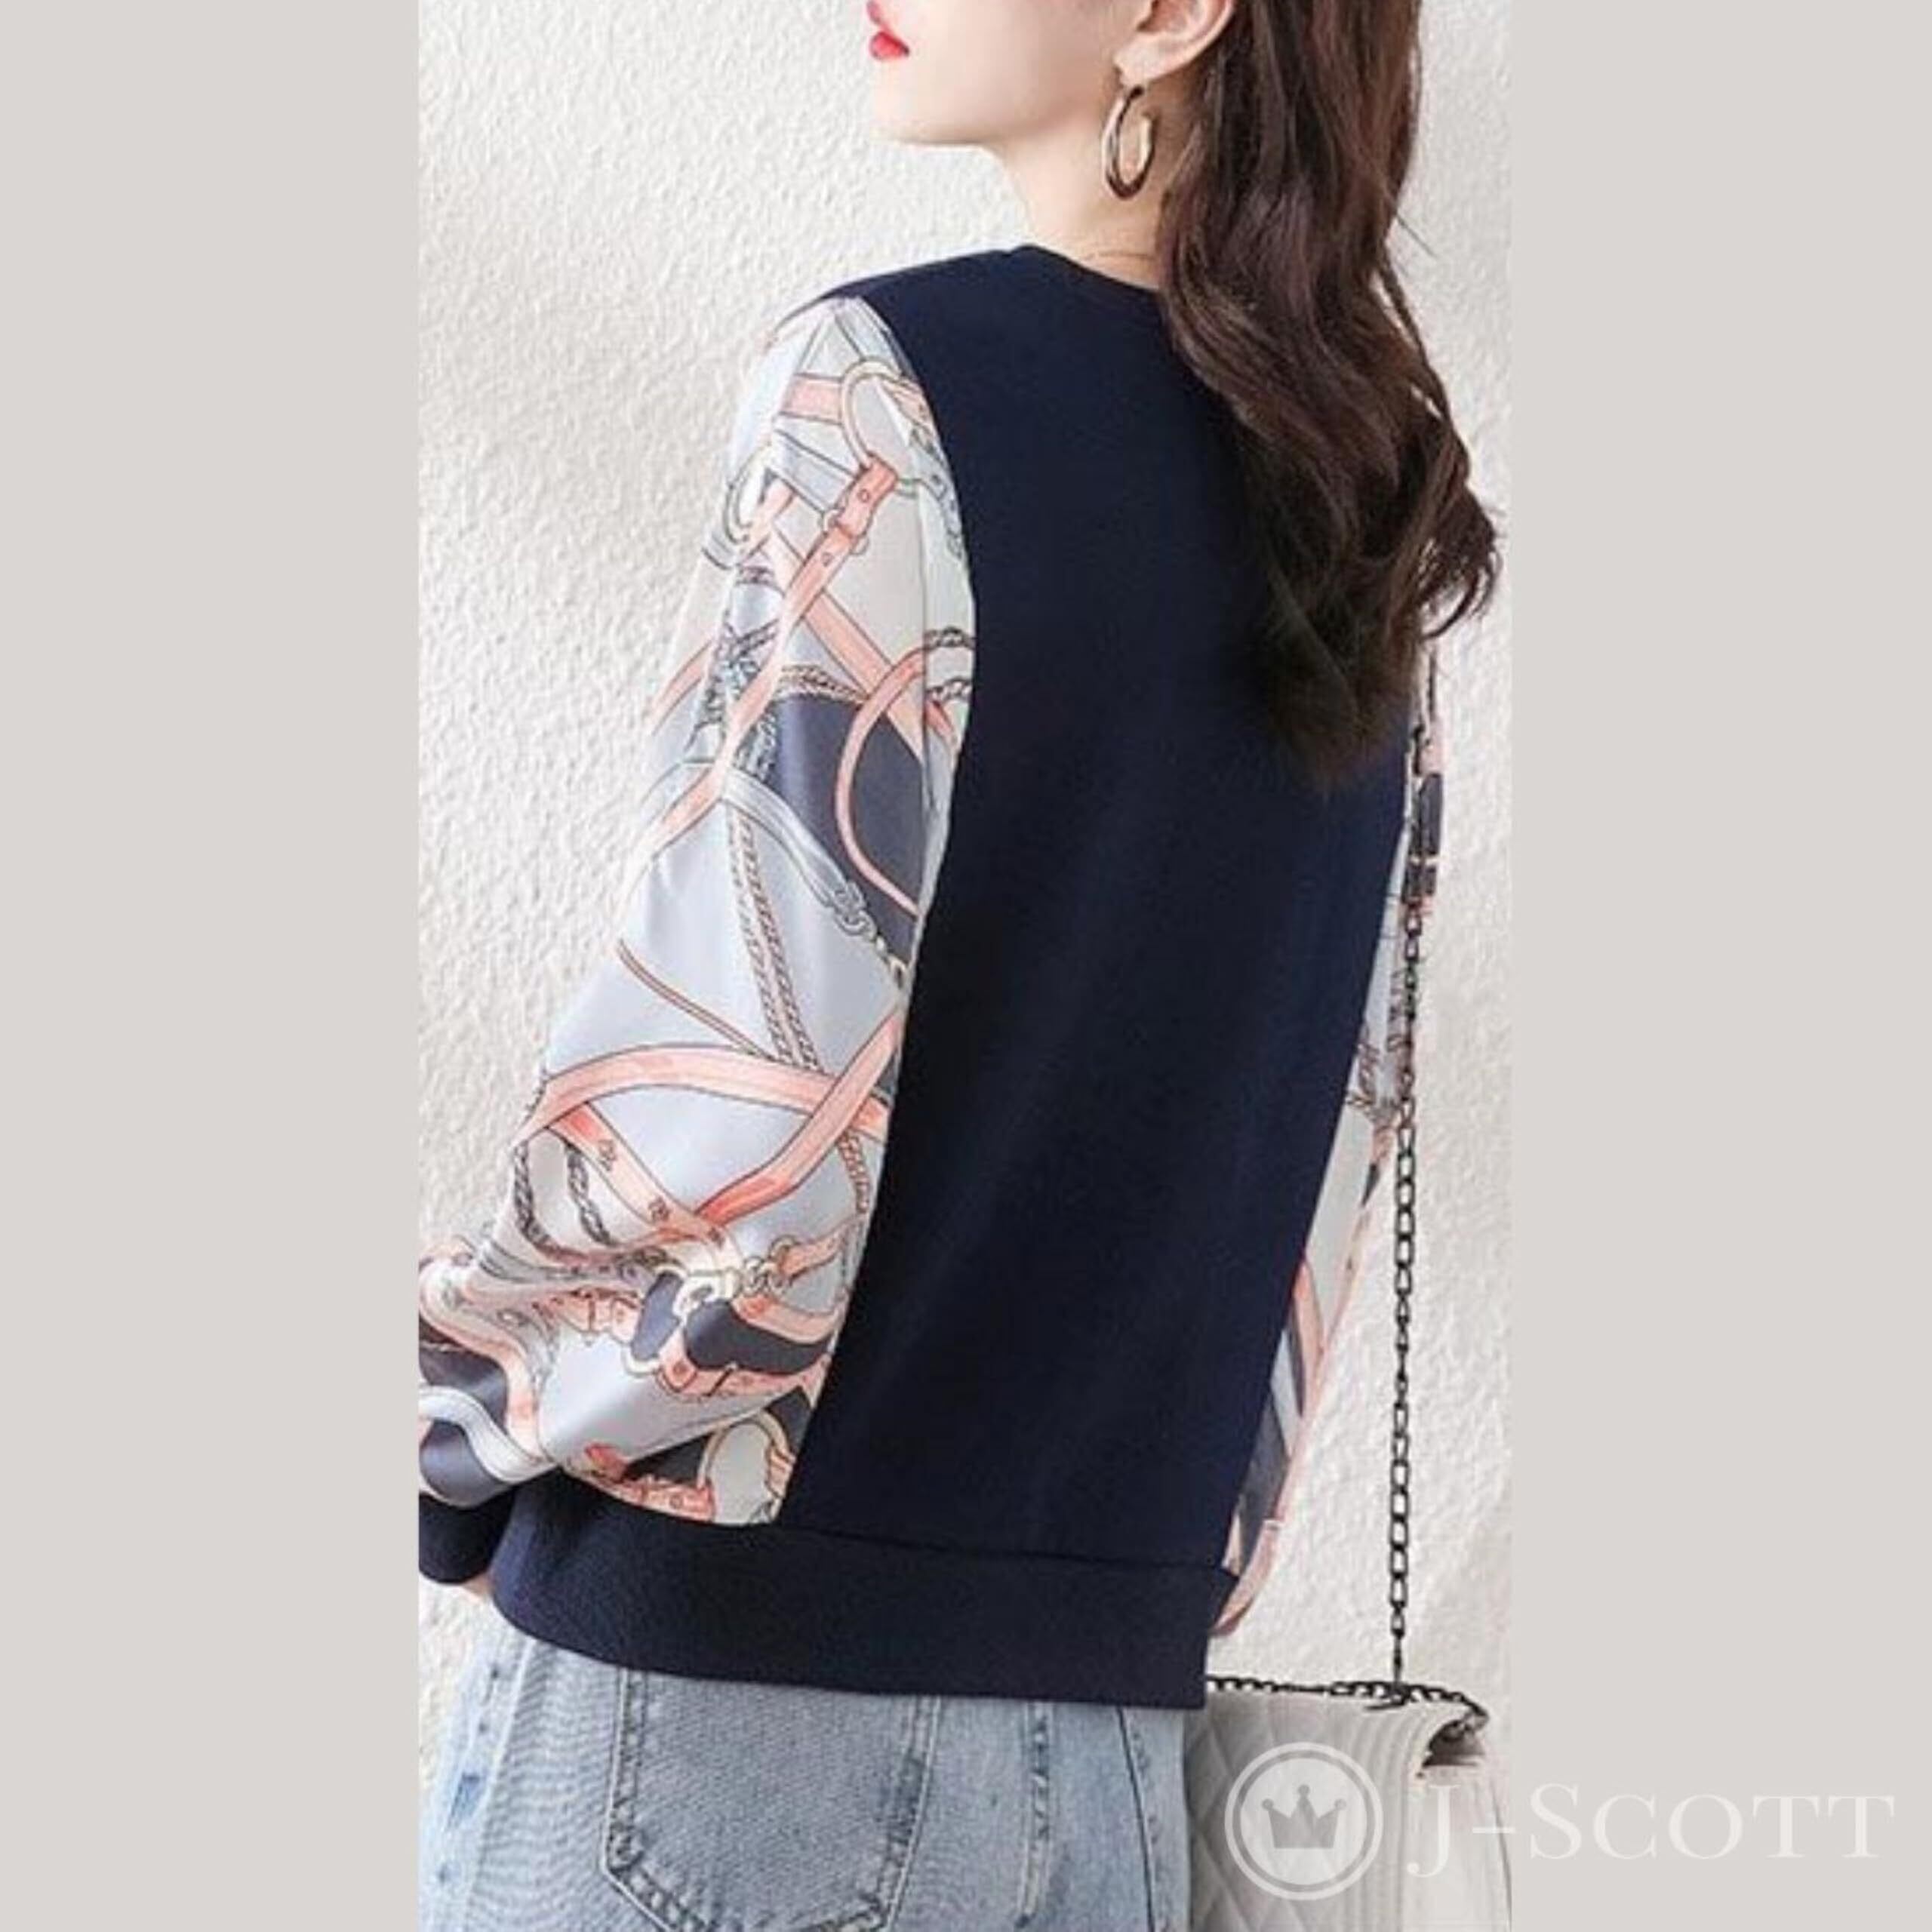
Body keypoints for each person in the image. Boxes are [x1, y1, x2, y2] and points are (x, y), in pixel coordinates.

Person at [417, 3, 1500, 1927]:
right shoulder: (1360, 490)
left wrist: (462, 1415)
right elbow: (1326, 1145)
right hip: (1109, 1756)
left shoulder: (883, 387)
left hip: (719, 1729)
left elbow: (738, 1094)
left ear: (1167, 16)